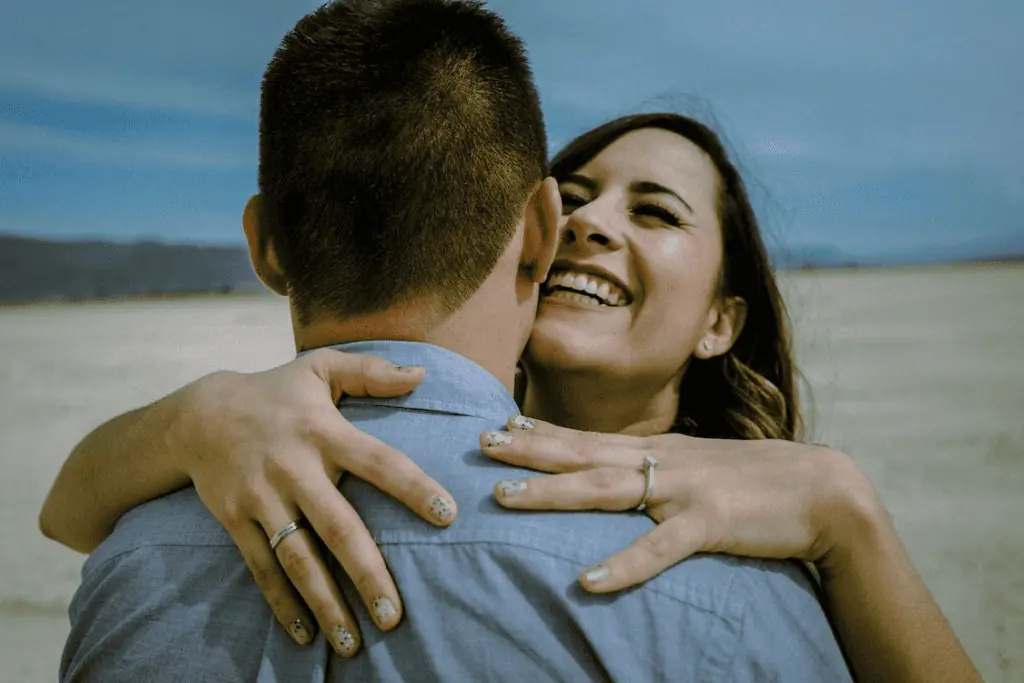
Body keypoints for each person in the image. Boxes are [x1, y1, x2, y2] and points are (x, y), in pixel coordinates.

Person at [40, 5, 981, 683]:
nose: (590, 222)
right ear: (528, 233)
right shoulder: (728, 610)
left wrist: (842, 504)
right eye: (570, 193)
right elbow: (68, 508)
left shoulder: (764, 561)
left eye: (653, 210)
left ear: (721, 323)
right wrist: (194, 415)